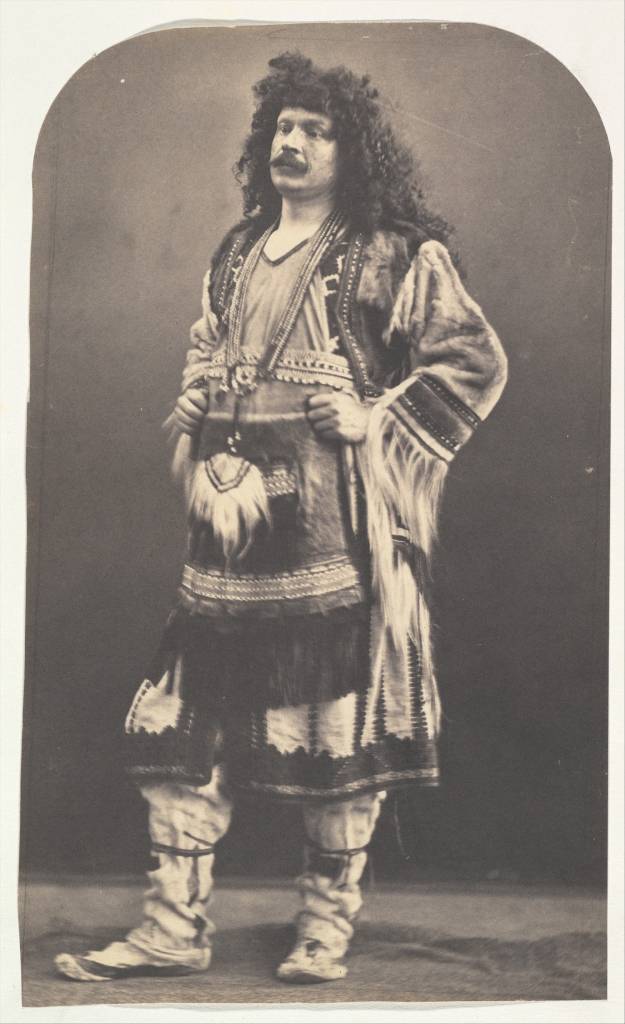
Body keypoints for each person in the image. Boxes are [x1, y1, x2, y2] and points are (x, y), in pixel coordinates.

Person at [55, 52, 507, 986]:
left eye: (316, 130)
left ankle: (323, 932)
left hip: (338, 548)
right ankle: (172, 931)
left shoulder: (395, 253)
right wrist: (195, 398)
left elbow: (471, 361)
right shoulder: (235, 249)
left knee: (335, 739)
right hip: (227, 551)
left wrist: (373, 416)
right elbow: (208, 348)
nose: (291, 143)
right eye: (282, 127)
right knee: (177, 735)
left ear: (353, 150)